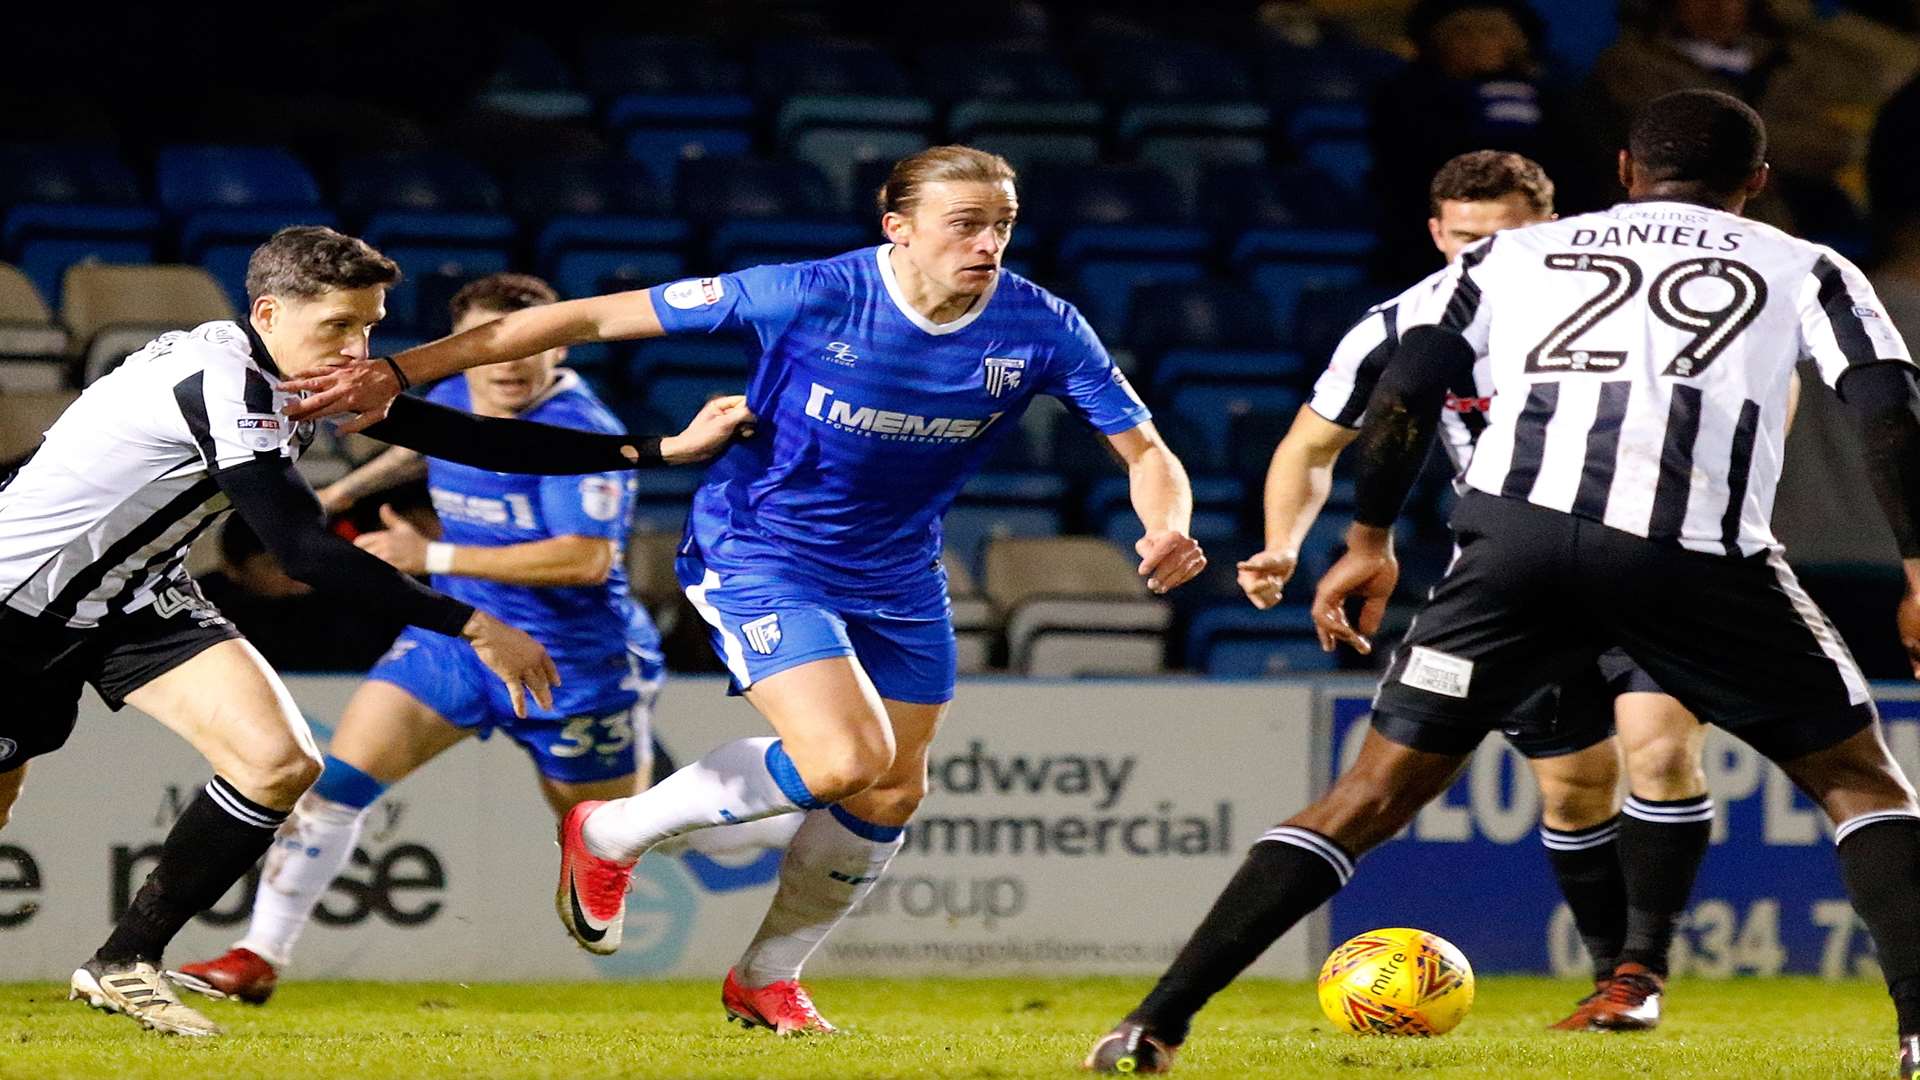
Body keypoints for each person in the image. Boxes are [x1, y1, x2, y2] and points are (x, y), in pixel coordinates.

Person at [279, 144, 1208, 1035]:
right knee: (844, 760)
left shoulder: (1040, 324)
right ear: (898, 228)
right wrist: (398, 374)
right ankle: (610, 832)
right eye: (966, 224)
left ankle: (767, 981)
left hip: (899, 570)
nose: (988, 246)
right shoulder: (809, 291)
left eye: (1001, 225)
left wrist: (1168, 520)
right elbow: (581, 320)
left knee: (890, 792)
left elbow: (1144, 450)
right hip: (762, 549)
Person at [1087, 88, 1920, 1077]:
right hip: (1688, 554)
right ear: (1758, 181)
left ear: (1622, 171)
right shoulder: (1806, 266)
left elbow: (1407, 384)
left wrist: (1367, 537)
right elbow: (1887, 409)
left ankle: (1155, 1021)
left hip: (1511, 551)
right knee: (1862, 785)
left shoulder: (1509, 258)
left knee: (1366, 797)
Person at [0, 224, 743, 1039]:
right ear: (269, 311)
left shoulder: (293, 370)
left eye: (370, 325)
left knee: (280, 764)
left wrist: (662, 447)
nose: (357, 347)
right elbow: (304, 551)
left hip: (136, 598)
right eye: (337, 327)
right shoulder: (219, 379)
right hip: (18, 604)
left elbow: (472, 438)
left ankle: (124, 962)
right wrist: (472, 621)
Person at [168, 273, 790, 1003]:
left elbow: (586, 559)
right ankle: (256, 958)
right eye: (489, 347)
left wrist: (429, 558)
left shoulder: (581, 429)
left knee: (614, 833)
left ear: (556, 351)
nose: (509, 363)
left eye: (529, 347)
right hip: (455, 644)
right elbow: (431, 443)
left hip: (570, 666)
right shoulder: (461, 392)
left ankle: (753, 822)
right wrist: (342, 494)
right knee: (332, 787)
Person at [1243, 149, 1727, 1030]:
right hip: (1516, 574)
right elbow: (1310, 447)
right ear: (1436, 235)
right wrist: (1281, 545)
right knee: (1576, 785)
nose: (1482, 257)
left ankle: (1640, 973)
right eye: (1465, 239)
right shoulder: (1403, 326)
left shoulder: (1634, 316)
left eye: (1504, 238)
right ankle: (1611, 981)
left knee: (1656, 750)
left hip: (1647, 556)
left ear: (1552, 231)